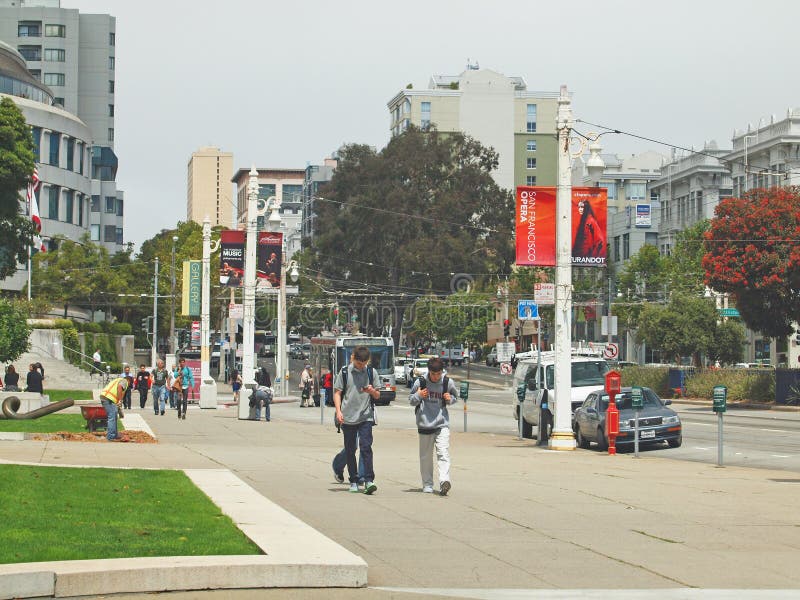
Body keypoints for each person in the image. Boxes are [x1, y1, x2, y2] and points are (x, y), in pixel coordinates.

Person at [409, 356, 459, 496]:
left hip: (442, 423)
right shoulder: (421, 382)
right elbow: (411, 400)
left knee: (443, 452)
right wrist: (418, 395)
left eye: (438, 374)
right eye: (433, 374)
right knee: (425, 456)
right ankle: (427, 484)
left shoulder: (447, 382)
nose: (436, 377)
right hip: (424, 423)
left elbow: (455, 397)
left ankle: (444, 481)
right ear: (429, 371)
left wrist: (450, 399)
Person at [333, 346, 380, 495]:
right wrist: (339, 411)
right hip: (348, 417)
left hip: (365, 416)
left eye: (364, 363)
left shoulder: (371, 372)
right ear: (353, 358)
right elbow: (337, 392)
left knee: (366, 447)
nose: (361, 366)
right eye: (359, 363)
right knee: (350, 449)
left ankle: (369, 480)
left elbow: (377, 395)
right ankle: (353, 479)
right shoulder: (345, 372)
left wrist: (372, 391)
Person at [99, 375, 129, 442]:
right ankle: (110, 437)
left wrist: (118, 406)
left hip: (105, 397)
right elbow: (119, 388)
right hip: (108, 399)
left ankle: (114, 434)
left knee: (114, 416)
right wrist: (120, 401)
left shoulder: (117, 380)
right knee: (112, 417)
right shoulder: (125, 381)